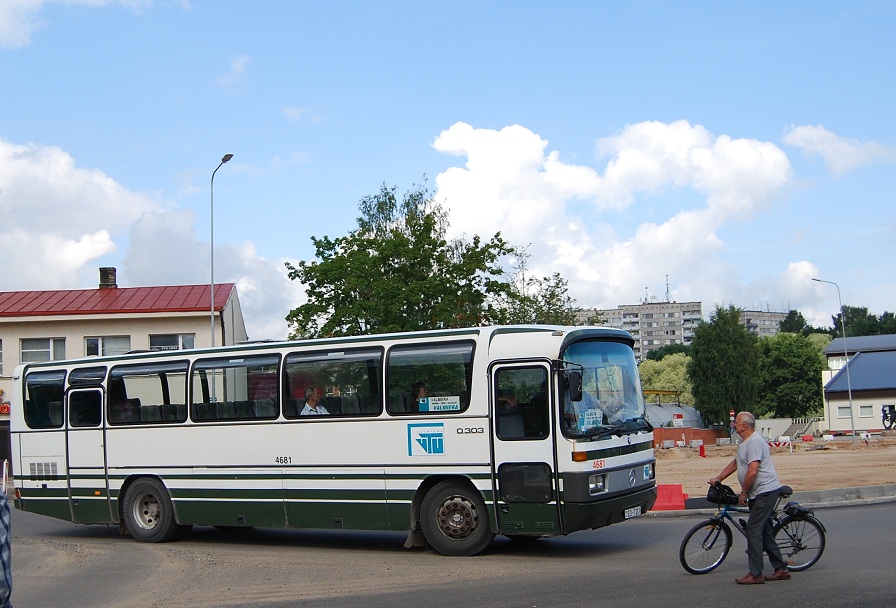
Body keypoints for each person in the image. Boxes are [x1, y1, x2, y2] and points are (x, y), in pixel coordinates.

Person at [710, 411, 790, 585]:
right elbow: (736, 463)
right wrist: (719, 478)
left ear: (745, 425)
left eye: (736, 422)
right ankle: (781, 569)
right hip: (758, 493)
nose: (734, 425)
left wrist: (743, 491)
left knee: (753, 530)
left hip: (765, 491)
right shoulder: (745, 443)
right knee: (765, 531)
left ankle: (756, 574)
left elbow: (753, 471)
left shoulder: (754, 442)